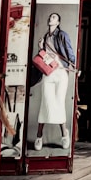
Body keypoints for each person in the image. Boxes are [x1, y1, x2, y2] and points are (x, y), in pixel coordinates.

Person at [31, 11, 76, 152]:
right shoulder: (45, 37)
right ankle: (39, 136)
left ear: (58, 22)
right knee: (46, 102)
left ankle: (64, 134)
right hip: (48, 73)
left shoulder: (62, 35)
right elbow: (45, 57)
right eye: (50, 17)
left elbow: (69, 51)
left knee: (58, 102)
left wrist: (72, 64)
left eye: (54, 17)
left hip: (61, 72)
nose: (51, 18)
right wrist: (40, 48)